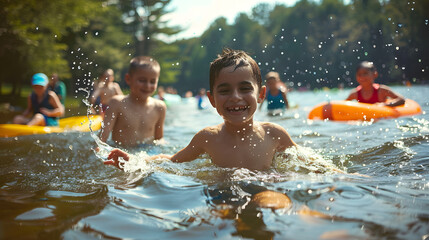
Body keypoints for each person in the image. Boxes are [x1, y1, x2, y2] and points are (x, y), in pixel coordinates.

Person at [105, 49, 299, 171]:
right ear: (212, 99)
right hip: (221, 194)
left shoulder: (274, 134)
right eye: (224, 91)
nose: (235, 96)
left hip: (265, 187)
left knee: (272, 202)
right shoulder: (207, 138)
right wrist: (135, 161)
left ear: (261, 95)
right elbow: (172, 160)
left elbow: (308, 162)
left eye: (245, 88)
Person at [99, 57, 167, 147]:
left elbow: (159, 139)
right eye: (142, 80)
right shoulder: (116, 103)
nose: (147, 85)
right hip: (121, 153)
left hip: (147, 155)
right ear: (128, 79)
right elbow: (101, 139)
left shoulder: (160, 107)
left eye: (152, 82)